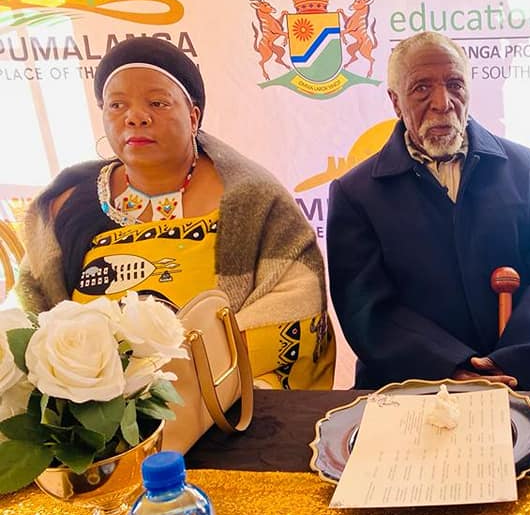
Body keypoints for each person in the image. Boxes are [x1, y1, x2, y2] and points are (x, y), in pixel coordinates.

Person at [16, 36, 335, 389]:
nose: (135, 117)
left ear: (193, 116)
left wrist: (185, 379)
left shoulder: (253, 200)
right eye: (117, 105)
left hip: (224, 400)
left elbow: (297, 304)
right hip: (96, 405)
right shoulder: (65, 205)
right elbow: (36, 315)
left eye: (157, 103)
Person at [327, 31, 530, 391]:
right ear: (395, 101)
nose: (443, 102)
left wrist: (505, 364)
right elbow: (367, 311)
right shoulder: (355, 194)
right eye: (421, 88)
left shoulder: (529, 171)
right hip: (413, 373)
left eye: (455, 85)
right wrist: (452, 368)